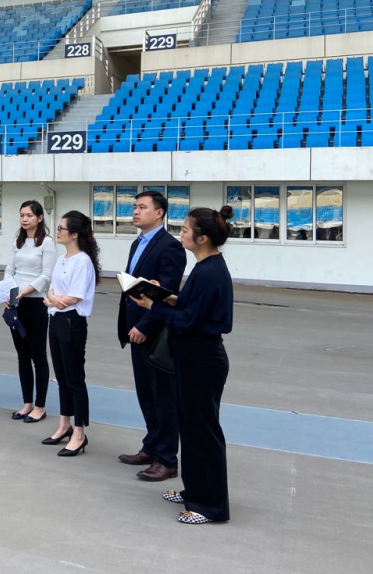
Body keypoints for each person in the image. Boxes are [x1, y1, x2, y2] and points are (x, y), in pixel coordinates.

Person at [134, 206, 235, 525]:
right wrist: (164, 296)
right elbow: (192, 306)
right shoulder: (205, 267)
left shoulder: (210, 271)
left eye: (186, 229)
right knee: (191, 428)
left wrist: (152, 306)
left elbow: (189, 320)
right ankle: (194, 490)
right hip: (193, 358)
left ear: (202, 238)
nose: (181, 234)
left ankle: (210, 506)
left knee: (204, 432)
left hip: (203, 359)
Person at [117, 191, 186, 482]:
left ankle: (167, 459)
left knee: (163, 397)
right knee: (146, 394)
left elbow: (166, 293)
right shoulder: (137, 243)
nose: (135, 211)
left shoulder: (170, 247)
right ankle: (152, 447)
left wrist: (145, 326)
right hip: (135, 329)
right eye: (134, 207)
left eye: (142, 207)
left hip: (154, 333)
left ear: (159, 213)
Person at [41, 211, 99, 457]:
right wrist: (52, 300)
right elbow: (52, 289)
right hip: (56, 320)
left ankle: (79, 432)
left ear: (74, 234)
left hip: (72, 322)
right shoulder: (63, 259)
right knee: (62, 377)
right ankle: (64, 424)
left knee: (75, 378)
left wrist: (52, 301)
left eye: (61, 228)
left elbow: (74, 297)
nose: (58, 232)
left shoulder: (82, 261)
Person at [3, 200, 57, 423]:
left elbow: (47, 275)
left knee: (38, 356)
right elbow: (10, 269)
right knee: (22, 356)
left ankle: (40, 406)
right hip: (16, 303)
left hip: (35, 303)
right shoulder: (18, 241)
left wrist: (26, 291)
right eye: (22, 215)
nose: (25, 219)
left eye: (29, 215)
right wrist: (8, 292)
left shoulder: (47, 243)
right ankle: (27, 403)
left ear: (40, 218)